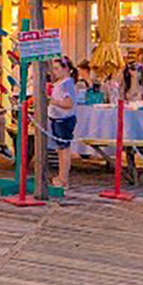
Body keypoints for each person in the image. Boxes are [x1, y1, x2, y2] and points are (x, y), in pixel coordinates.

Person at [47, 56, 79, 188]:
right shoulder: (62, 83)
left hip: (63, 119)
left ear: (66, 69)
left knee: (64, 150)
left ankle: (63, 179)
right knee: (61, 150)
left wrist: (52, 101)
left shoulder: (66, 84)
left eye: (57, 68)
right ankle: (61, 176)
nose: (54, 72)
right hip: (58, 118)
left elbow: (68, 103)